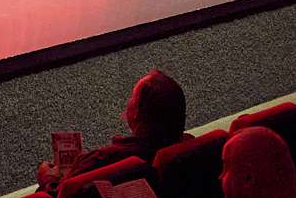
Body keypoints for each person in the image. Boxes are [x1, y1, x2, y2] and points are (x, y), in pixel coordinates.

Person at [38, 69, 188, 190]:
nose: (128, 101)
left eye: (132, 97)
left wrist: (48, 179)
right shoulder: (186, 151)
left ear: (136, 112)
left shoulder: (99, 160)